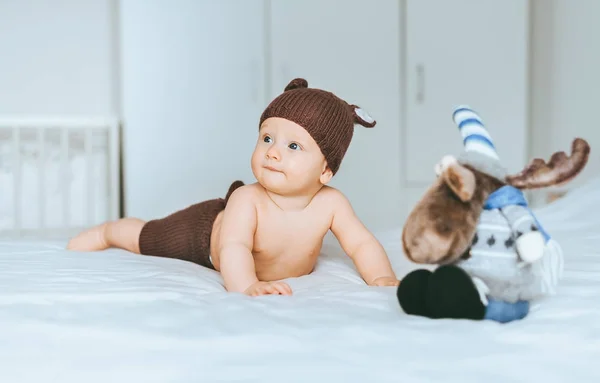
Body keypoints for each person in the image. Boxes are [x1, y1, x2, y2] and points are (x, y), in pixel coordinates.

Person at [67, 78, 399, 296]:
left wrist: (381, 278)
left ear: (326, 170)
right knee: (149, 237)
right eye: (267, 138)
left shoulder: (332, 204)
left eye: (293, 147)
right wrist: (247, 286)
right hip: (204, 232)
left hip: (230, 241)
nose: (272, 151)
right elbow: (234, 248)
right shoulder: (248, 199)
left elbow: (361, 244)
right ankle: (109, 232)